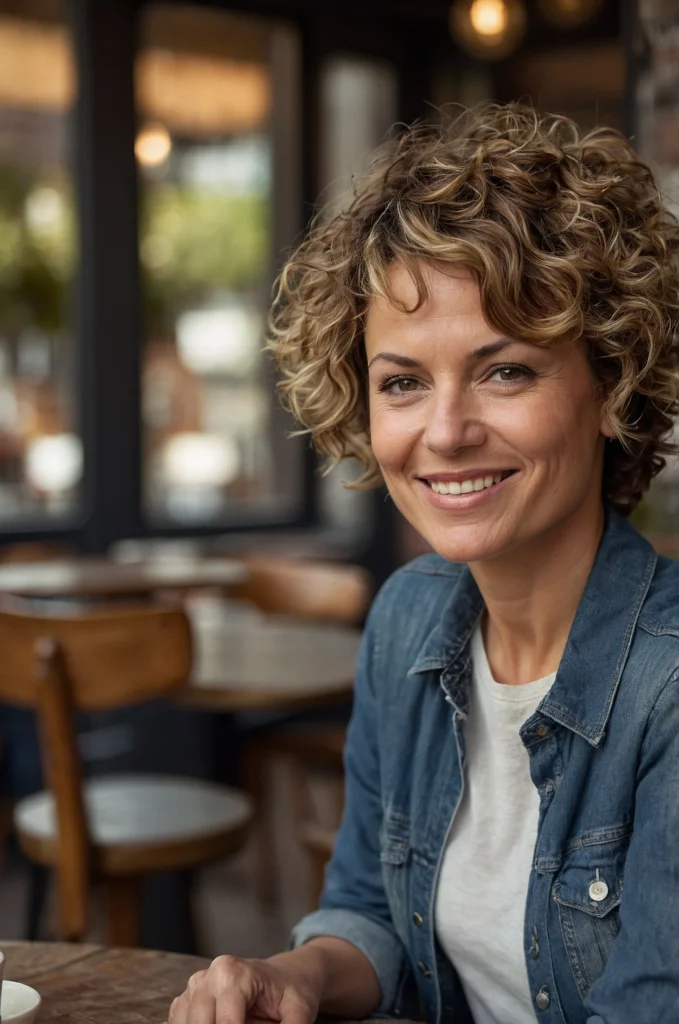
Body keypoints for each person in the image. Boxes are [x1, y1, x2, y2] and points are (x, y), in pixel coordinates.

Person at [167, 104, 679, 1024]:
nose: (444, 432)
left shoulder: (668, 685)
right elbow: (371, 911)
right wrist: (299, 977)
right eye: (403, 382)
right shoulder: (408, 617)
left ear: (610, 384)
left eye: (505, 371)